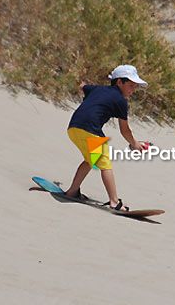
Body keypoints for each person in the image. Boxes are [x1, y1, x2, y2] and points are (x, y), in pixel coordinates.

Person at [63, 64, 148, 211]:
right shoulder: (121, 101)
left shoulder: (97, 89)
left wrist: (81, 84)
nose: (134, 89)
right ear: (119, 82)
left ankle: (72, 191)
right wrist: (135, 144)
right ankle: (114, 202)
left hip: (73, 128)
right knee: (106, 165)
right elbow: (125, 130)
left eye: (136, 86)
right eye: (131, 85)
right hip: (90, 130)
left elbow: (83, 86)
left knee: (91, 160)